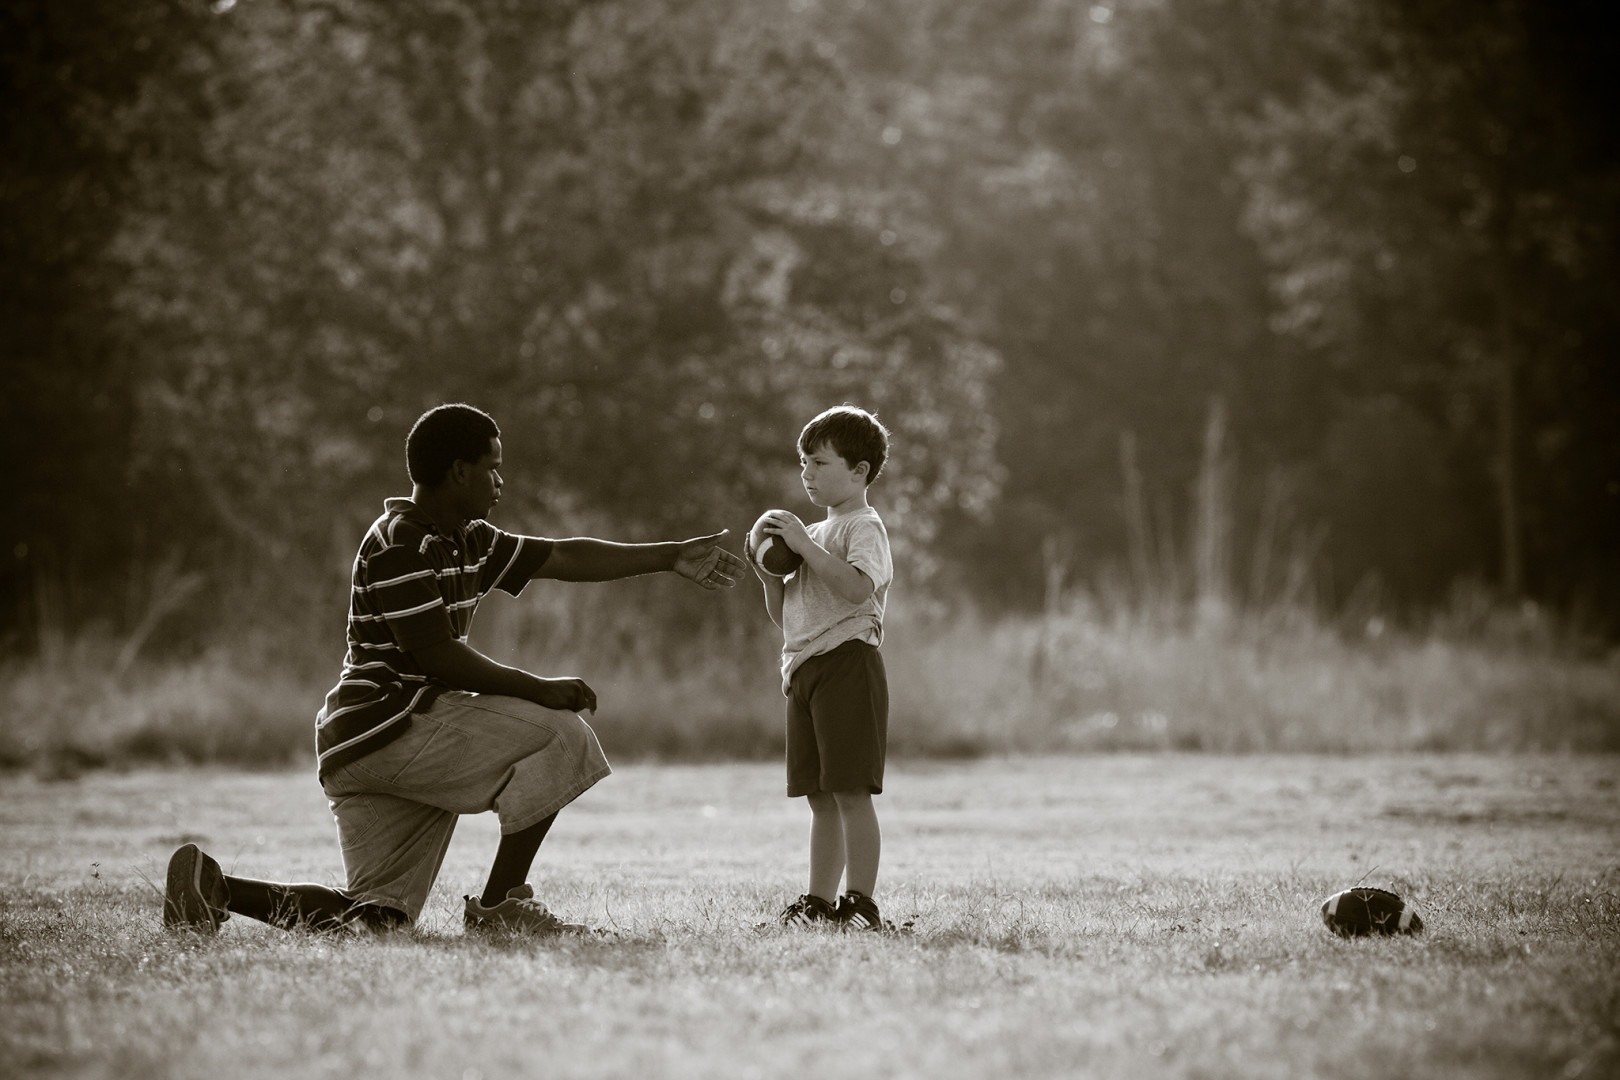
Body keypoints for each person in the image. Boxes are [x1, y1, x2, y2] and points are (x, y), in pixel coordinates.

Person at [162, 403, 745, 937]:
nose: (500, 481)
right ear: (459, 472)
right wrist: (540, 689)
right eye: (493, 468)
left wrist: (669, 556)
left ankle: (211, 889)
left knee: (379, 919)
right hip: (388, 730)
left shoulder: (467, 539)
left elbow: (563, 555)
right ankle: (500, 908)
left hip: (368, 743)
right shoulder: (400, 544)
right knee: (564, 735)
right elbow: (436, 657)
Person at [748, 404, 894, 932]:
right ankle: (818, 901)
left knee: (851, 790)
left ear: (858, 472)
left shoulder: (864, 528)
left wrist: (805, 545)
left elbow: (858, 590)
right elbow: (787, 615)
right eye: (803, 463)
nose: (807, 473)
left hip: (848, 663)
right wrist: (770, 578)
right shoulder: (809, 536)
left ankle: (860, 903)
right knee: (819, 795)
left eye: (819, 463)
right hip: (804, 670)